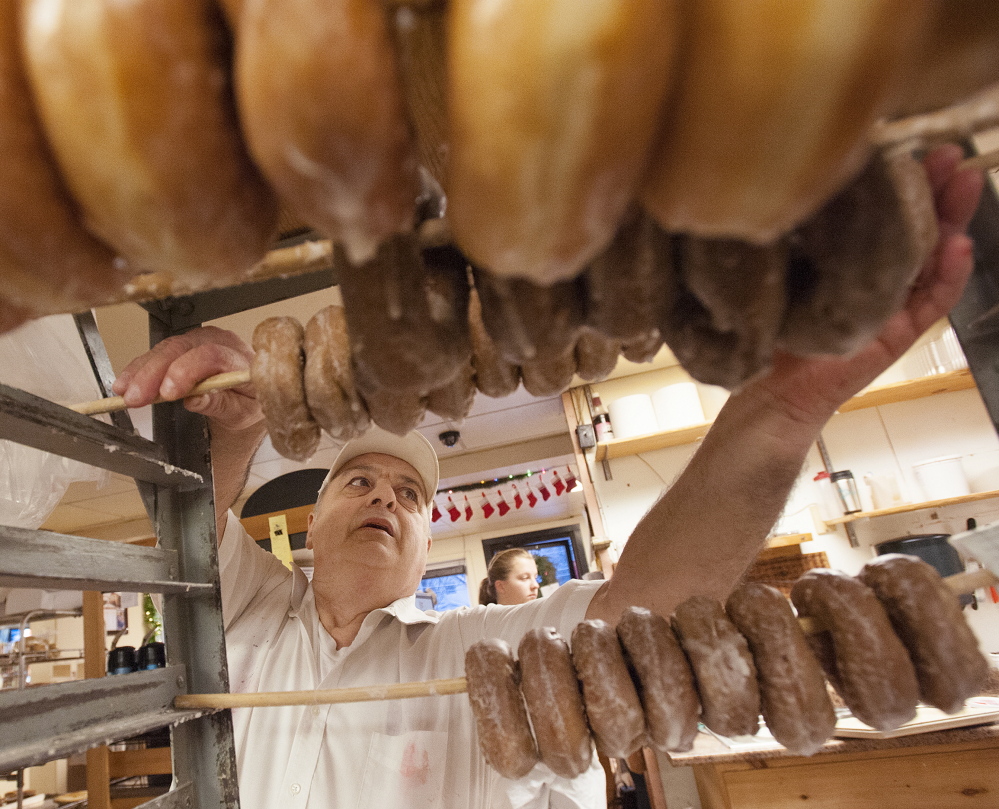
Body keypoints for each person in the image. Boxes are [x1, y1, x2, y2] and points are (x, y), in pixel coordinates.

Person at [111, 146, 984, 809]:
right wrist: (233, 421)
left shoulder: (478, 655)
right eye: (361, 482)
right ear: (308, 526)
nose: (386, 497)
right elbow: (193, 513)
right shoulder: (253, 614)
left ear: (426, 555)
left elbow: (645, 606)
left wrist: (777, 414)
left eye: (410, 497)